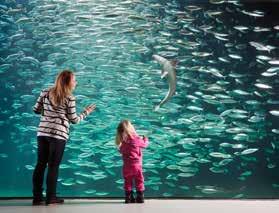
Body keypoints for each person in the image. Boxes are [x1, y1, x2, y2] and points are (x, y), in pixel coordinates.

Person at [32, 70, 96, 205]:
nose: (76, 82)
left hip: (42, 133)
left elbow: (36, 110)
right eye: (74, 80)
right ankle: (51, 197)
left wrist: (48, 113)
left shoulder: (45, 92)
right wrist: (86, 112)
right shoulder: (69, 98)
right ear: (68, 82)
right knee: (53, 166)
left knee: (40, 164)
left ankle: (37, 197)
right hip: (58, 135)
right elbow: (74, 120)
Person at [115, 120, 149, 203]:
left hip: (126, 167)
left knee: (127, 181)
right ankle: (140, 197)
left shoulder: (123, 143)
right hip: (137, 166)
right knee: (139, 180)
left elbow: (121, 151)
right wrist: (145, 139)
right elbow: (144, 145)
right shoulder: (136, 139)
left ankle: (128, 198)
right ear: (131, 128)